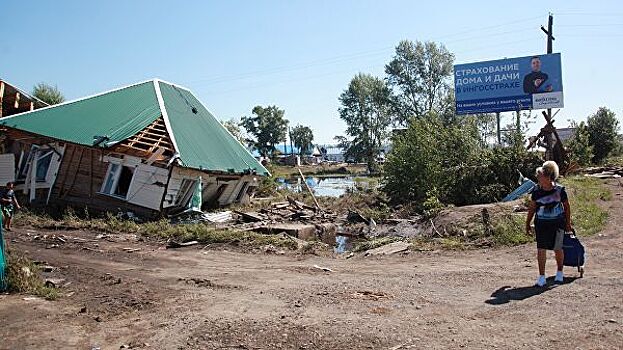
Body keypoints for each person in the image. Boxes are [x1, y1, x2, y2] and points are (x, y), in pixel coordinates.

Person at [526, 161, 572, 287]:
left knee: (558, 248)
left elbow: (567, 207)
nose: (538, 178)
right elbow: (532, 208)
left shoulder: (560, 190)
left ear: (548, 176)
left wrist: (568, 223)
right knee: (541, 249)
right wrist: (527, 223)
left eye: (539, 175)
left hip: (557, 223)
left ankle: (560, 272)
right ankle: (542, 277)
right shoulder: (536, 191)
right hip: (541, 224)